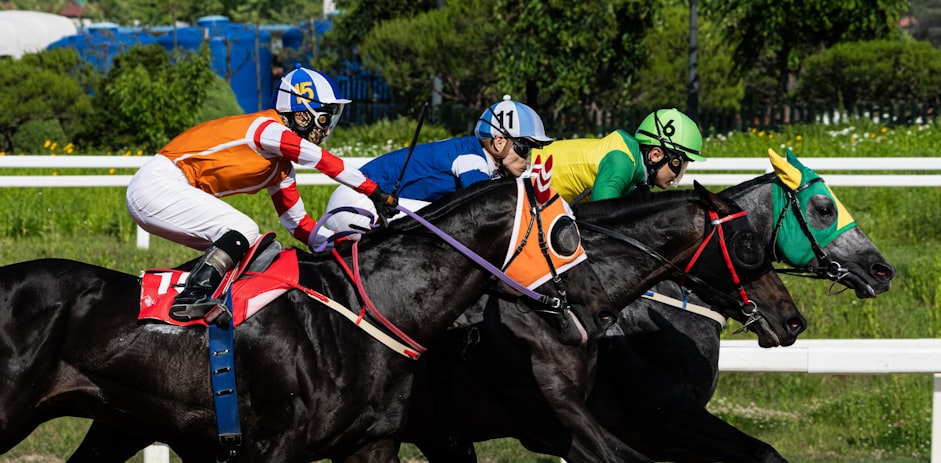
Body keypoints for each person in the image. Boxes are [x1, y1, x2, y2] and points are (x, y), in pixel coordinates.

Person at [126, 64, 398, 322]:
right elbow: (319, 159)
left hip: (166, 191)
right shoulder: (266, 129)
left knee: (259, 249)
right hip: (157, 184)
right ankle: (191, 298)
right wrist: (374, 191)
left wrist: (350, 242)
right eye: (325, 118)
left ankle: (196, 297)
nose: (327, 130)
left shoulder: (280, 168)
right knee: (244, 228)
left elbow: (301, 227)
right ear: (302, 115)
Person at [323, 95, 552, 237]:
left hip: (365, 202)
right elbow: (485, 209)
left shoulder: (473, 152)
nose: (527, 159)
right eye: (524, 148)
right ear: (499, 142)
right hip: (358, 203)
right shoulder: (472, 161)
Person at [531, 108, 704, 203]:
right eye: (678, 165)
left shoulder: (634, 167)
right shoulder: (622, 163)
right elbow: (602, 219)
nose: (678, 175)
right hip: (526, 174)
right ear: (656, 155)